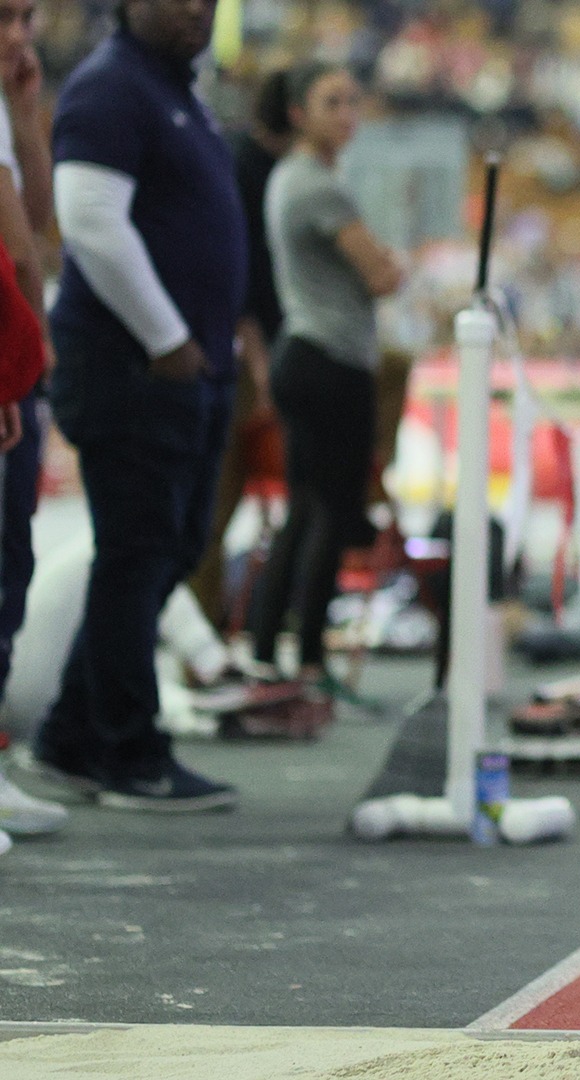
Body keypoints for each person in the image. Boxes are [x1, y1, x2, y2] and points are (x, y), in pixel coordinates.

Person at [22, 0, 246, 812]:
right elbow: (90, 222)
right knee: (137, 552)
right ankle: (127, 748)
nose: (196, 6)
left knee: (168, 547)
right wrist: (165, 336)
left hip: (184, 366)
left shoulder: (174, 92)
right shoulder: (111, 88)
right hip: (133, 366)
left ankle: (75, 737)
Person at [244, 61, 402, 686]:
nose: (348, 114)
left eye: (353, 101)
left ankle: (266, 647)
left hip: (308, 353)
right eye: (331, 101)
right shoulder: (319, 188)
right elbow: (381, 275)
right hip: (330, 360)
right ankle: (308, 656)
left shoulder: (291, 179)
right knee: (329, 515)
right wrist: (395, 262)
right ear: (298, 113)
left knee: (306, 512)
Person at [184, 69, 293, 638]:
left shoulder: (274, 167)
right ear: (298, 114)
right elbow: (241, 279)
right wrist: (259, 364)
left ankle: (213, 622)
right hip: (242, 352)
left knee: (220, 505)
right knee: (217, 502)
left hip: (251, 348)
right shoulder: (246, 167)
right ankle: (201, 629)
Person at [0, 0, 66, 844]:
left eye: (27, 16)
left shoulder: (7, 104)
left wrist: (23, 116)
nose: (18, 36)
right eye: (3, 16)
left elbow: (39, 226)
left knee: (9, 569)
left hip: (16, 369)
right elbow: (23, 253)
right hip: (9, 371)